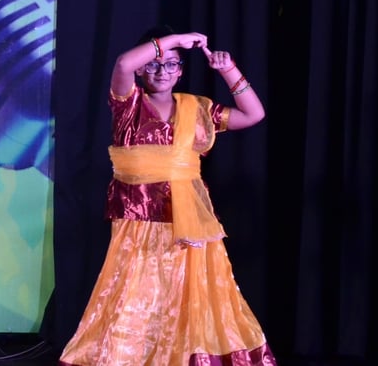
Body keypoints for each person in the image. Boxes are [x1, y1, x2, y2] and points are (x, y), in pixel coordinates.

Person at [59, 28, 275, 365]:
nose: (163, 71)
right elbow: (123, 63)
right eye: (154, 64)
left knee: (190, 296)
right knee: (134, 296)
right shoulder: (128, 104)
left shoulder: (198, 109)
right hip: (138, 221)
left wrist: (228, 69)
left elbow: (254, 114)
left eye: (172, 64)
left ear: (181, 71)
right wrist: (176, 40)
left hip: (190, 224)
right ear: (142, 70)